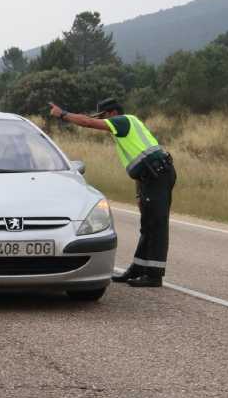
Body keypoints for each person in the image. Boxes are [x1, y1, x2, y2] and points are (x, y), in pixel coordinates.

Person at [49, 98, 175, 287]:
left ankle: (154, 275)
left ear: (112, 113)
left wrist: (63, 114)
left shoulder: (123, 121)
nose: (103, 122)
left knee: (157, 225)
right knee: (148, 224)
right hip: (152, 176)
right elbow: (142, 164)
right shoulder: (126, 129)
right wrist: (139, 194)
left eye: (104, 117)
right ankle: (138, 268)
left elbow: (88, 122)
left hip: (158, 175)